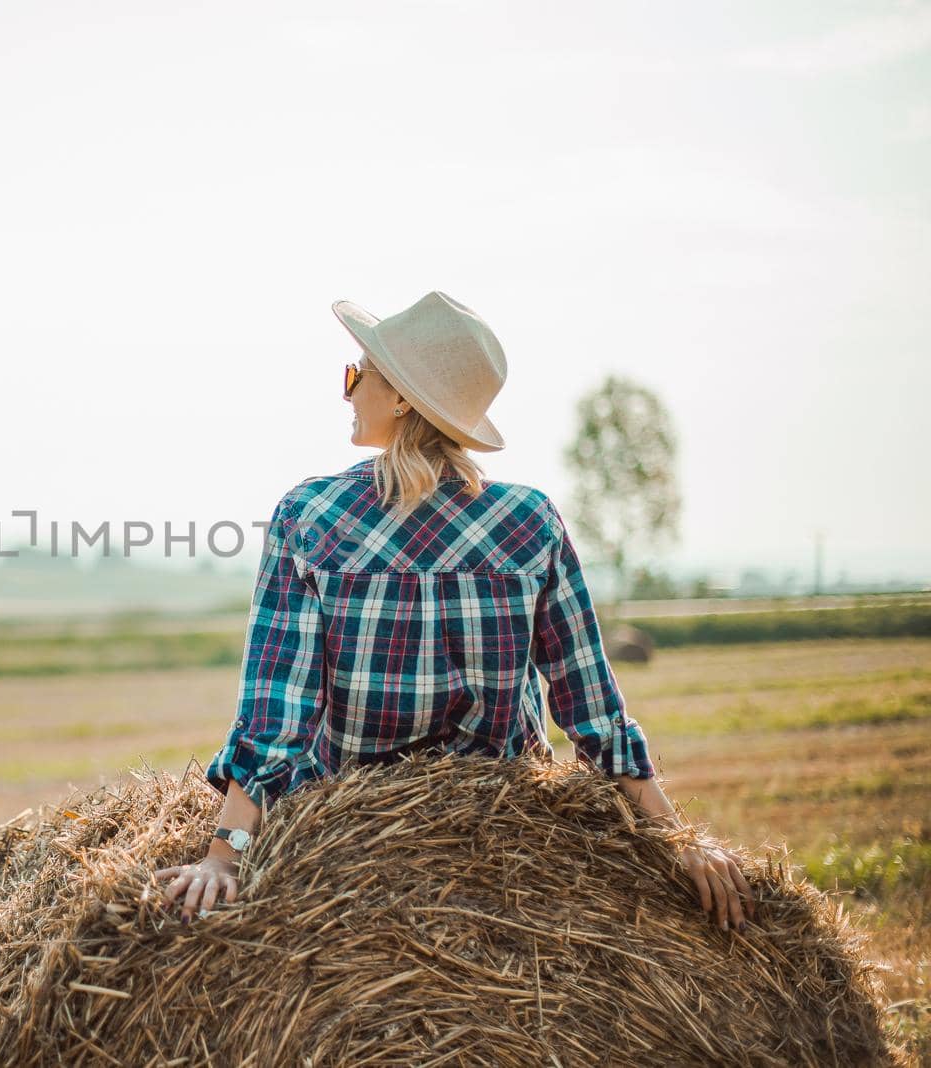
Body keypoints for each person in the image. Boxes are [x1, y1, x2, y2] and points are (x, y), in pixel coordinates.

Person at [154, 290, 755, 936]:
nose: (346, 390)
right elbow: (593, 713)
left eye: (357, 374)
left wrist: (226, 856)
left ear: (404, 397)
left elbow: (276, 721)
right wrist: (676, 838)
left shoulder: (311, 518)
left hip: (343, 836)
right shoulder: (531, 523)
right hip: (503, 835)